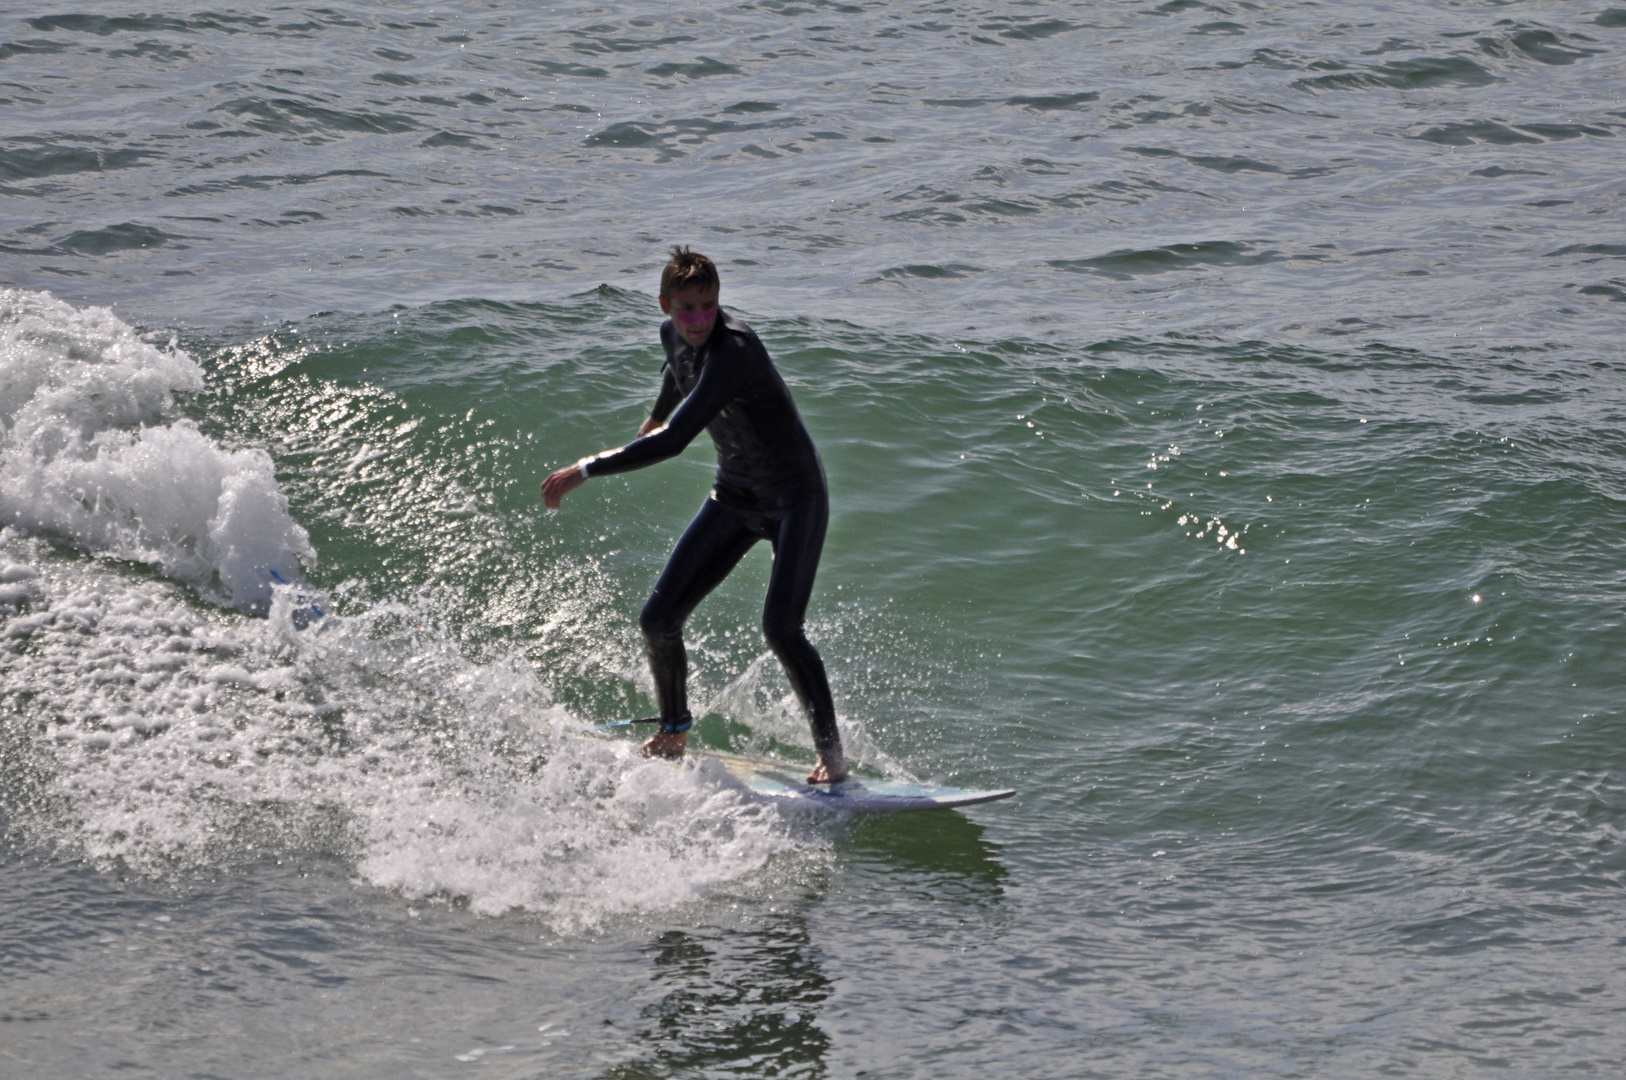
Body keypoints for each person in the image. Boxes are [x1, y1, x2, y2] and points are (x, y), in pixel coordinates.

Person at [541, 247, 848, 784]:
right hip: (734, 495)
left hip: (794, 498)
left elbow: (678, 442)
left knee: (781, 627)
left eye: (709, 306)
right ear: (666, 306)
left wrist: (583, 469)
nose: (700, 319)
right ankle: (673, 730)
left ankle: (832, 755)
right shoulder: (673, 334)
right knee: (657, 619)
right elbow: (676, 368)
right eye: (687, 309)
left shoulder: (737, 351)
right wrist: (656, 412)